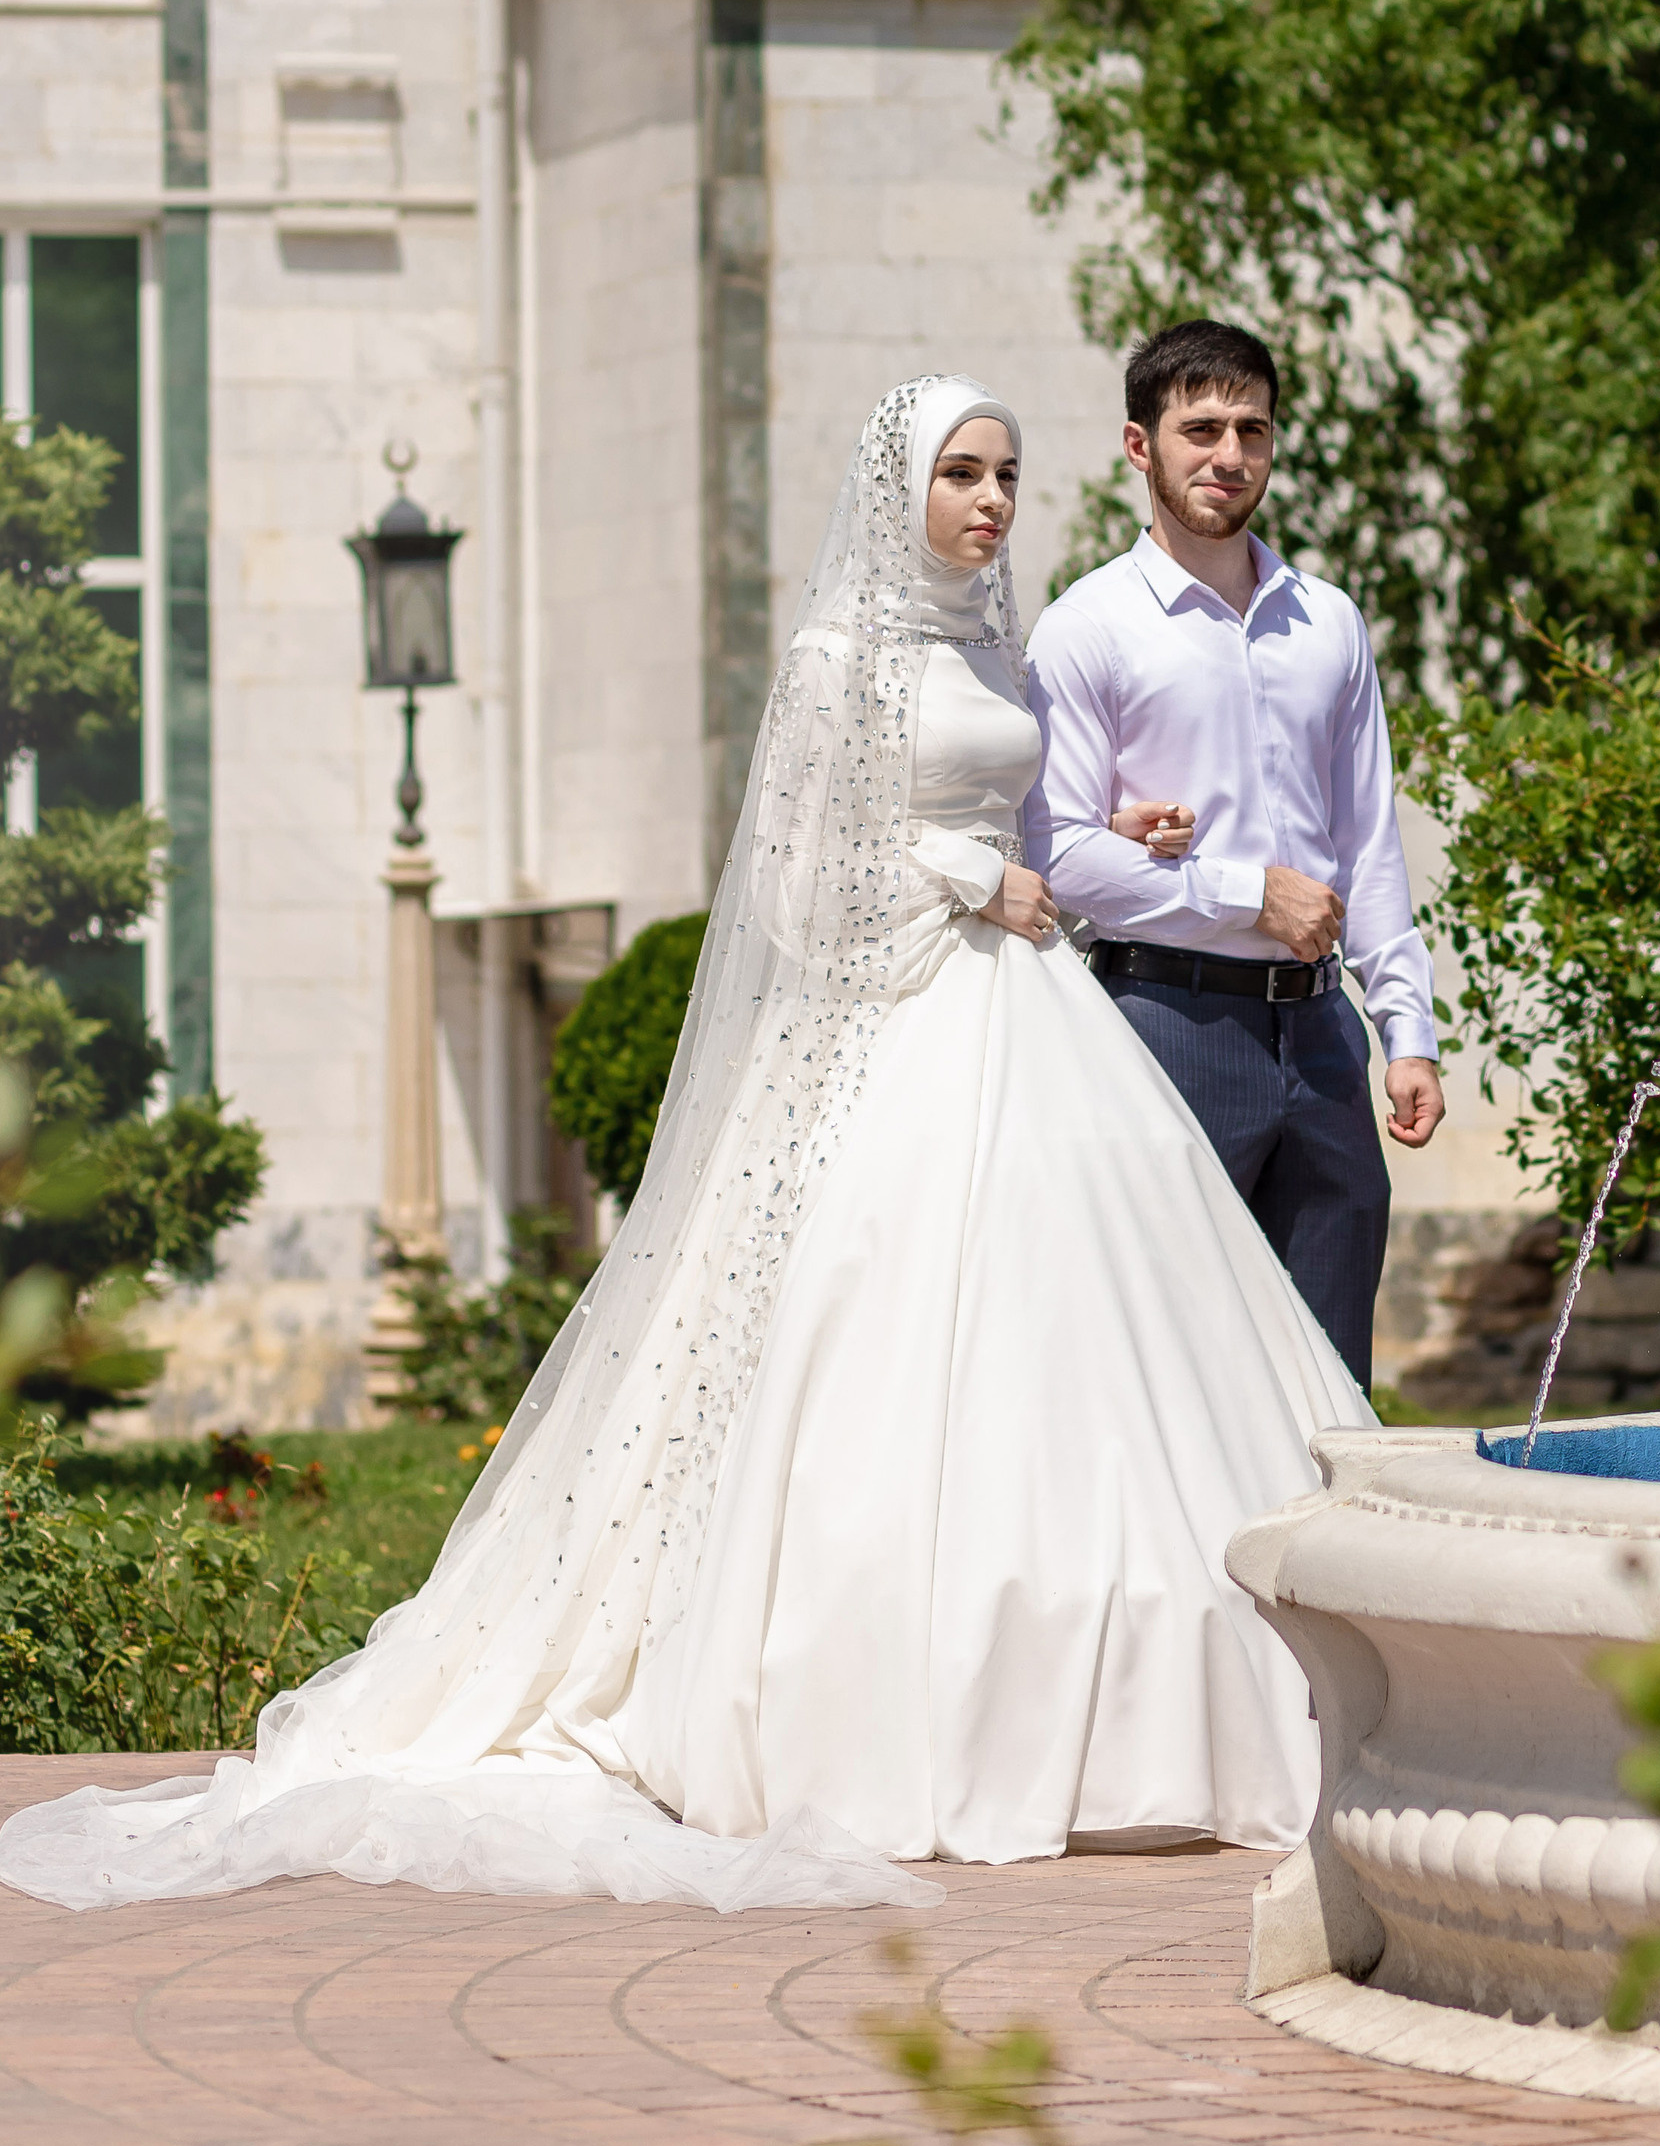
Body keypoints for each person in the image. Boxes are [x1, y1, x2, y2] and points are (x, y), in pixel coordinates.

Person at [0, 375, 1369, 1919]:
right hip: (897, 1034)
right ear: (893, 490)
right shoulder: (834, 655)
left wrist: (1114, 847)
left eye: (1003, 474)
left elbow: (1041, 847)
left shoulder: (997, 646)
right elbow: (799, 871)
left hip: (1033, 1023)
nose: (988, 501)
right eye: (959, 475)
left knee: (1096, 1348)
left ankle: (1158, 1712)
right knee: (873, 1344)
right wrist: (959, 876)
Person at [1021, 322, 1444, 1395]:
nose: (1229, 454)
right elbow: (1058, 854)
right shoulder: (1087, 629)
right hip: (1167, 1025)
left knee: (1330, 1375)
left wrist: (1408, 1032)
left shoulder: (1329, 624)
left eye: (1251, 429)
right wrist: (1250, 894)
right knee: (1177, 1376)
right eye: (1199, 428)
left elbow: (1370, 847)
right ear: (1138, 446)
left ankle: (1325, 1570)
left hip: (1322, 1039)